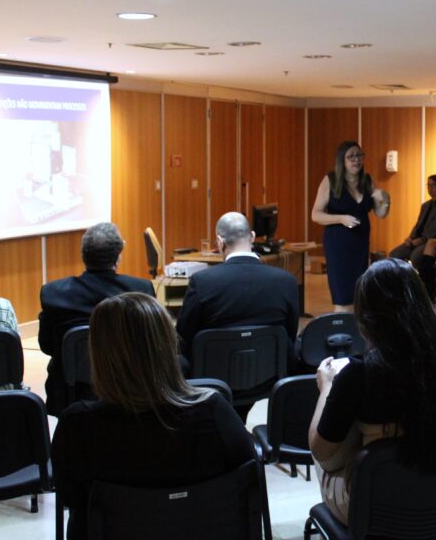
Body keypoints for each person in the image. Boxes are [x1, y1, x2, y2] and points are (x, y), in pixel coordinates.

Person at [52, 292, 255, 540]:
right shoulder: (214, 410)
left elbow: (69, 496)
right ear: (168, 344)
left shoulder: (78, 425)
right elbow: (248, 478)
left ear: (99, 353)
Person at [307, 259, 436, 526]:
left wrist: (327, 387)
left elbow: (321, 451)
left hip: (379, 509)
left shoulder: (359, 374)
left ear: (365, 317)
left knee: (335, 442)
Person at [175, 212, 300, 417]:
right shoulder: (285, 281)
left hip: (212, 377)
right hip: (267, 375)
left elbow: (183, 337)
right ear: (251, 237)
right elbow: (290, 334)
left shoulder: (203, 282)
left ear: (220, 241)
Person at [38, 222, 154, 416]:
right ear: (118, 256)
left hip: (71, 392)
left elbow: (47, 345)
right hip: (128, 388)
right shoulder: (140, 290)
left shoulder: (54, 293)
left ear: (83, 255)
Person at [311, 141, 390, 312]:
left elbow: (381, 213)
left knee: (359, 292)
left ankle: (356, 330)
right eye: (351, 156)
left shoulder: (367, 180)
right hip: (338, 244)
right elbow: (315, 214)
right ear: (343, 160)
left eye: (359, 155)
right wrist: (340, 218)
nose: (356, 160)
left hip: (360, 243)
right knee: (343, 293)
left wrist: (384, 198)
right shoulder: (330, 180)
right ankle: (342, 328)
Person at [389, 174, 436, 267]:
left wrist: (423, 239)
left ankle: (426, 280)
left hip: (432, 241)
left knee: (415, 257)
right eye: (428, 185)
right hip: (417, 239)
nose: (430, 188)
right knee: (394, 254)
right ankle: (404, 278)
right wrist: (410, 237)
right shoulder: (425, 205)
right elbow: (418, 225)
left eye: (434, 185)